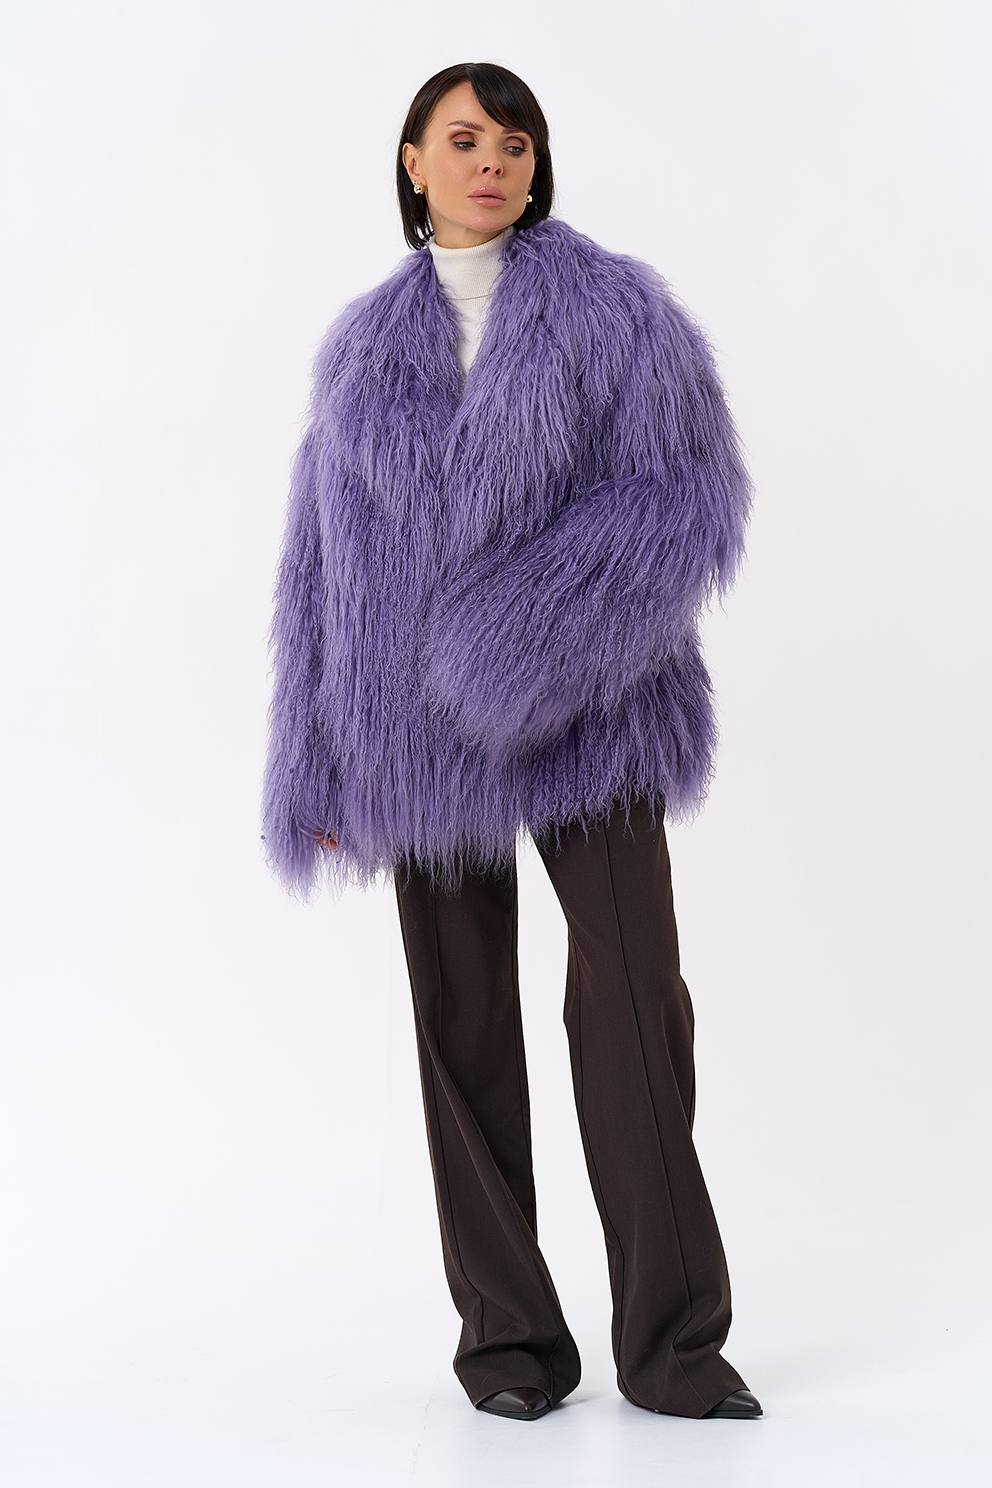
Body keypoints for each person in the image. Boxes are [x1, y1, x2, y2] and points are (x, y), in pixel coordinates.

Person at [262, 61, 761, 1423]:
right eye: (465, 137)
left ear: (538, 168)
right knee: (461, 1022)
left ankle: (674, 1346)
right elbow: (315, 571)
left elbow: (687, 501)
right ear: (414, 162)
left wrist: (518, 643)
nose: (493, 160)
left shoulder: (617, 312)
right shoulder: (362, 353)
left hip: (593, 704)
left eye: (516, 142)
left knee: (633, 1003)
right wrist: (315, 760)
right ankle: (509, 1344)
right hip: (409, 729)